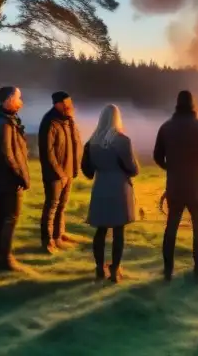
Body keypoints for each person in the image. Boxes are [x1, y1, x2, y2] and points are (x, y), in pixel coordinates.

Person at [153, 90, 198, 281]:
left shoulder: (166, 127)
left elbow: (157, 156)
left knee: (171, 227)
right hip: (197, 188)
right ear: (192, 105)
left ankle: (168, 269)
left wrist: (170, 168)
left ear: (177, 105)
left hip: (175, 187)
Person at [82, 103, 139, 282]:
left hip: (100, 187)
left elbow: (88, 171)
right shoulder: (123, 141)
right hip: (118, 188)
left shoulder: (91, 143)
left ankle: (99, 268)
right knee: (118, 231)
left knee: (101, 230)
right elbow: (133, 169)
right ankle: (115, 270)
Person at [0, 86, 31, 271]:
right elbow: (8, 156)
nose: (21, 102)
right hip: (7, 180)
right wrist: (22, 177)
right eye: (19, 97)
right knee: (9, 218)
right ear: (9, 99)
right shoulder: (4, 124)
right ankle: (6, 258)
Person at [38, 91, 82, 254]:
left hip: (68, 171)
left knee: (62, 206)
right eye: (66, 103)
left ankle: (59, 236)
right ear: (57, 104)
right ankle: (47, 241)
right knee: (51, 207)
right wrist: (59, 173)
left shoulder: (69, 121)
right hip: (55, 175)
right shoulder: (50, 122)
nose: (70, 106)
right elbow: (47, 152)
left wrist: (74, 168)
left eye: (70, 102)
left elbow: (75, 143)